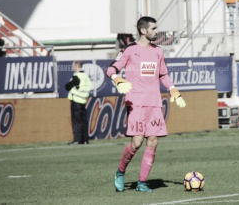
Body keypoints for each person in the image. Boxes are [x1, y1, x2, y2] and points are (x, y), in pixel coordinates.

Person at [106, 16, 186, 193]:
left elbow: (163, 75)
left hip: (154, 103)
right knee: (137, 142)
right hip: (136, 103)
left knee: (153, 141)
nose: (157, 31)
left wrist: (173, 89)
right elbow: (111, 68)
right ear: (143, 30)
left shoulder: (158, 51)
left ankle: (142, 182)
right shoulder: (129, 50)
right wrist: (117, 79)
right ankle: (120, 171)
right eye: (154, 28)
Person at [65, 61, 92, 145]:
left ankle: (77, 139)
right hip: (83, 100)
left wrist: (72, 89)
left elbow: (67, 86)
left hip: (76, 100)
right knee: (83, 120)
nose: (72, 68)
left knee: (76, 121)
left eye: (73, 66)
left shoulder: (76, 76)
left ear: (77, 66)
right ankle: (85, 140)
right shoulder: (86, 76)